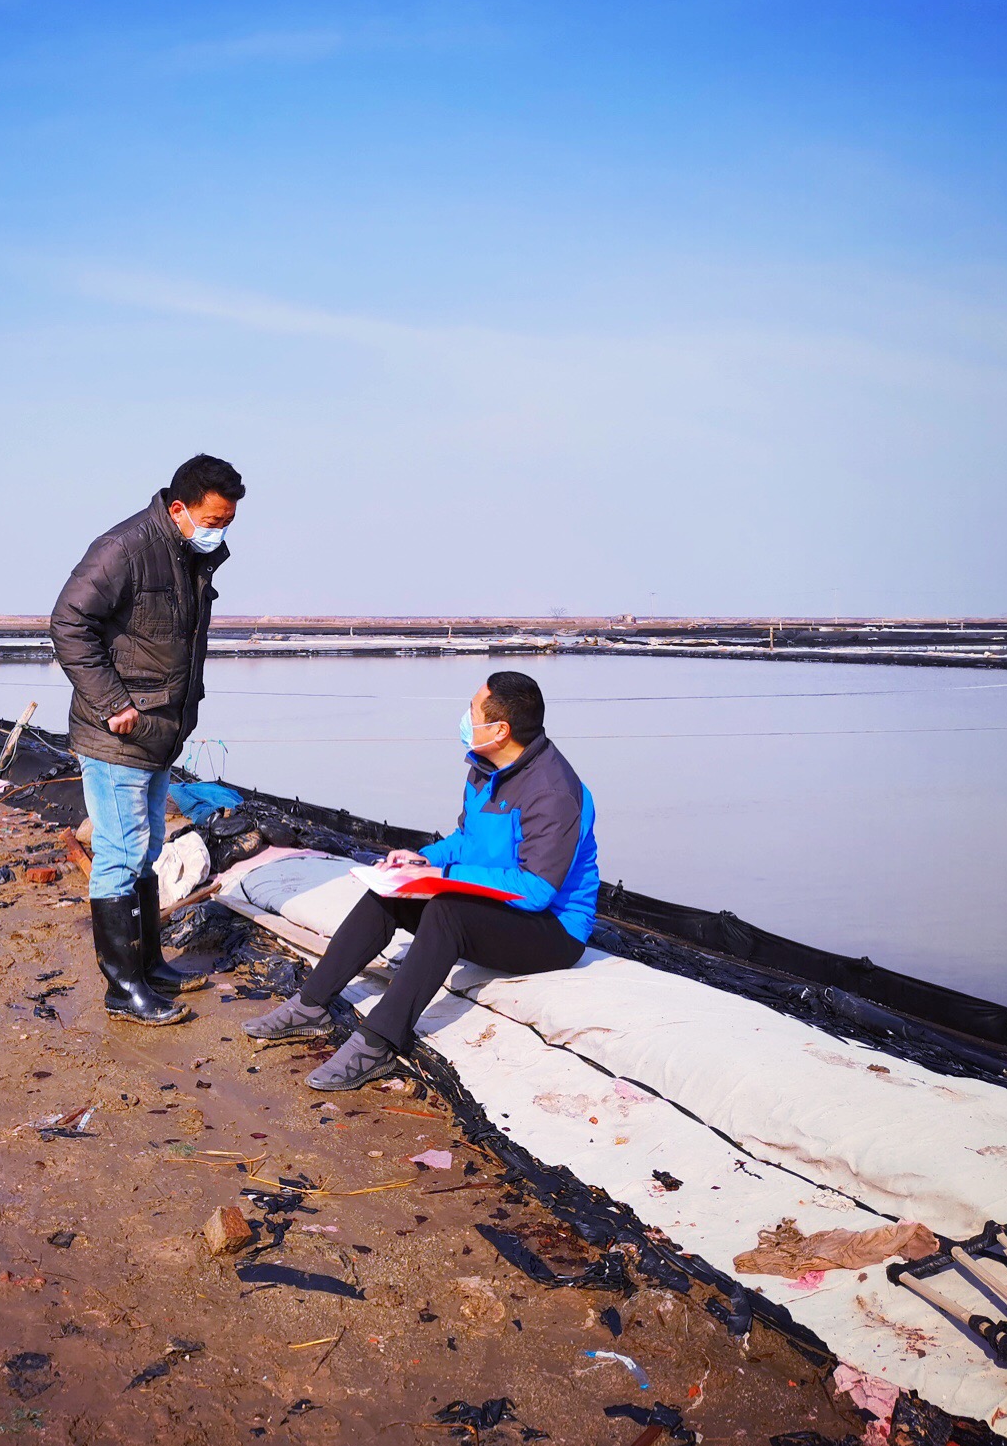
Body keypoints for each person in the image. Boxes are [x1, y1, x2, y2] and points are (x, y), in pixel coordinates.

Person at [242, 671, 598, 1089]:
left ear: (500, 730)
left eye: (472, 711)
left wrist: (442, 875)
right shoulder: (486, 767)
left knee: (448, 913)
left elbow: (536, 890)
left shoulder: (553, 793)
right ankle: (310, 1004)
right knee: (391, 890)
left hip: (553, 929)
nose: (465, 719)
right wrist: (421, 860)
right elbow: (466, 839)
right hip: (499, 903)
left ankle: (378, 1042)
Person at [51, 454, 244, 1026]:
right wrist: (115, 704)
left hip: (160, 732)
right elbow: (68, 624)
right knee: (120, 852)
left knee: (148, 846)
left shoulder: (188, 555)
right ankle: (123, 988)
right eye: (213, 520)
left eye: (229, 522)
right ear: (179, 508)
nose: (220, 531)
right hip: (119, 731)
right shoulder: (124, 549)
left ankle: (150, 966)